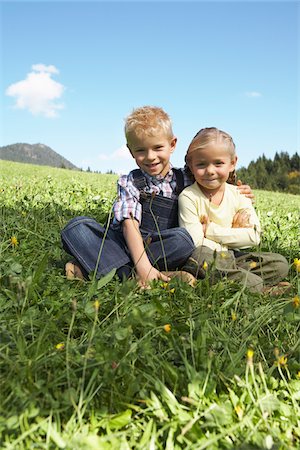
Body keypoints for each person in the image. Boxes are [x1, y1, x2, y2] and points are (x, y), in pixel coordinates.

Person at [61, 107, 254, 288]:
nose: (150, 156)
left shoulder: (185, 178)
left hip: (162, 247)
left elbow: (212, 177)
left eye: (157, 148)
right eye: (141, 150)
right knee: (77, 228)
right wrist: (142, 265)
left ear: (172, 145)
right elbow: (129, 224)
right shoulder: (129, 181)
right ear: (130, 151)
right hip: (124, 243)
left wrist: (235, 189)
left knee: (183, 239)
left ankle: (108, 269)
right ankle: (142, 273)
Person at [178, 127, 289, 293]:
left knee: (279, 264)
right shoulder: (188, 197)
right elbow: (195, 242)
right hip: (206, 257)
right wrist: (234, 234)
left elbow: (254, 235)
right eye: (201, 164)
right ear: (191, 165)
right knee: (202, 256)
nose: (210, 170)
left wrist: (210, 230)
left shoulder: (239, 194)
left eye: (218, 163)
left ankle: (234, 278)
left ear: (232, 163)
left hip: (234, 257)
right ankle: (260, 289)